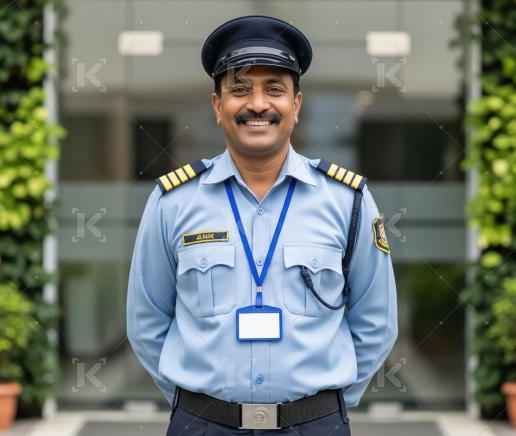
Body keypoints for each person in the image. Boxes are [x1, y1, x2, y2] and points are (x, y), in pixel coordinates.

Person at [127, 15, 398, 435]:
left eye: (274, 89)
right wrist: (199, 404)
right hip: (203, 425)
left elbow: (376, 321)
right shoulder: (172, 202)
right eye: (239, 90)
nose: (257, 104)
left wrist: (327, 405)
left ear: (297, 105)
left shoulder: (348, 201)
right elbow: (146, 323)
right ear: (217, 106)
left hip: (314, 425)